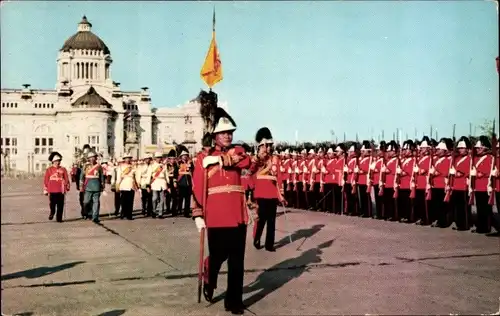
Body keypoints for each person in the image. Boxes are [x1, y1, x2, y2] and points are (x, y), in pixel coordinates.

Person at [192, 104, 250, 314]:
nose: (228, 136)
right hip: (215, 215)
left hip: (236, 214)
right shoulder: (201, 159)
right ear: (215, 135)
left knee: (237, 260)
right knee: (217, 255)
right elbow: (197, 186)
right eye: (223, 133)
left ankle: (234, 301)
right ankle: (210, 271)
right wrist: (197, 214)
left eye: (230, 132)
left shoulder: (238, 151)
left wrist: (218, 159)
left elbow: (245, 161)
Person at [250, 127, 286, 252]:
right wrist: (259, 157)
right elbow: (250, 171)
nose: (269, 148)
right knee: (262, 219)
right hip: (260, 192)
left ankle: (269, 244)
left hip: (272, 192)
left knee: (272, 221)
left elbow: (279, 177)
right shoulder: (257, 158)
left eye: (271, 145)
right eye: (267, 145)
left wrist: (281, 193)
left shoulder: (275, 159)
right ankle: (257, 237)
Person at [43, 152, 70, 222]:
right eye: (56, 161)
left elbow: (66, 178)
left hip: (61, 189)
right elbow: (46, 179)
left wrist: (67, 185)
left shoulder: (63, 169)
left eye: (58, 161)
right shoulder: (49, 170)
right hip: (52, 189)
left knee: (60, 204)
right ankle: (52, 212)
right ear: (53, 161)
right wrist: (45, 189)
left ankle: (59, 218)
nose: (57, 163)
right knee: (52, 204)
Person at [79, 151, 104, 223]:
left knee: (96, 202)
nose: (92, 159)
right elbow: (82, 176)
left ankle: (95, 216)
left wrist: (102, 185)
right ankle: (86, 213)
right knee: (86, 202)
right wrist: (81, 185)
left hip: (96, 185)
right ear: (88, 158)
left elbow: (101, 176)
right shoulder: (85, 166)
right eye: (91, 157)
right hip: (88, 186)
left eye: (94, 157)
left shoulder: (99, 166)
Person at [113, 153, 138, 220]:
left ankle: (129, 215)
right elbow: (118, 177)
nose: (128, 159)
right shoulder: (120, 167)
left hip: (131, 184)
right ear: (124, 159)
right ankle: (123, 214)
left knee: (130, 201)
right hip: (123, 184)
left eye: (129, 158)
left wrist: (136, 185)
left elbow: (135, 176)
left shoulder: (133, 166)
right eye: (126, 158)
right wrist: (117, 185)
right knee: (123, 201)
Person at [151, 151, 169, 218]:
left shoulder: (164, 166)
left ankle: (160, 213)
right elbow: (149, 175)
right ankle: (154, 211)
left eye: (160, 157)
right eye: (157, 157)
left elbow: (166, 174)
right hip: (155, 181)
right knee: (154, 198)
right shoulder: (152, 165)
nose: (159, 159)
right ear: (155, 158)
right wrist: (148, 183)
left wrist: (168, 182)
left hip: (162, 182)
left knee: (162, 199)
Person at [177, 145, 193, 218]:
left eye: (186, 155)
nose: (185, 157)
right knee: (180, 198)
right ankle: (179, 210)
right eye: (183, 156)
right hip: (181, 182)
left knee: (187, 199)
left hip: (188, 183)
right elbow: (176, 173)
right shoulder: (178, 163)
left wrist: (190, 167)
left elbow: (193, 171)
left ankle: (186, 212)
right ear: (181, 156)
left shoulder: (190, 163)